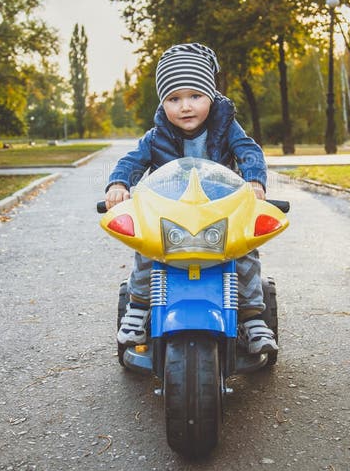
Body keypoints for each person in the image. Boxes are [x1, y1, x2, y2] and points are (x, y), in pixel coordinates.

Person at [105, 42, 278, 356]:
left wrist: (254, 181)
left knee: (244, 251)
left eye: (195, 96)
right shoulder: (156, 136)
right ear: (163, 103)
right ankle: (139, 307)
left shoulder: (227, 128)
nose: (185, 107)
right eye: (174, 99)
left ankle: (252, 316)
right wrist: (119, 184)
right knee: (146, 250)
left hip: (219, 210)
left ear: (211, 95)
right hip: (170, 213)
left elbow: (249, 151)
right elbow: (131, 162)